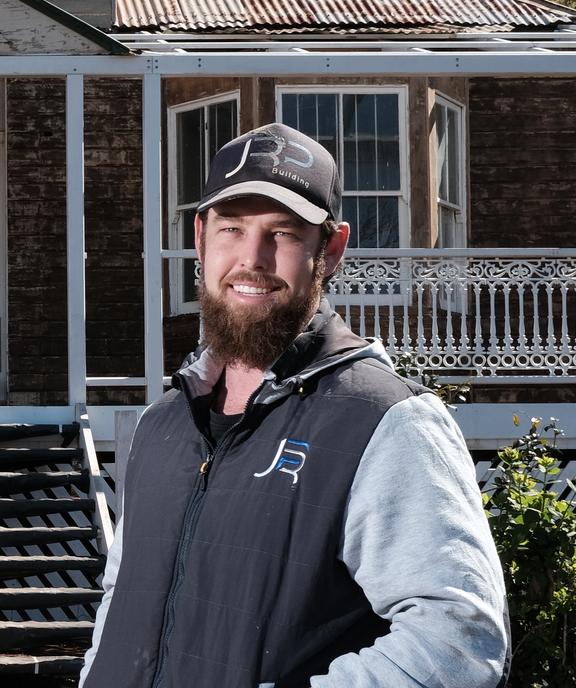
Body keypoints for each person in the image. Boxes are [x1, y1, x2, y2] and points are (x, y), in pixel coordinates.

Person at [80, 123, 508, 687]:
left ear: (330, 250)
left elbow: (458, 642)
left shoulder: (384, 422)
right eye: (232, 228)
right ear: (202, 237)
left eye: (281, 233)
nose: (251, 258)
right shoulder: (163, 424)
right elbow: (121, 598)